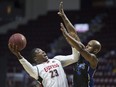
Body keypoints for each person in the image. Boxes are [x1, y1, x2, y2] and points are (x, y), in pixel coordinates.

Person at [58, 1, 101, 87]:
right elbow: (73, 33)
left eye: (89, 46)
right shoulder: (81, 54)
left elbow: (80, 49)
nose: (86, 46)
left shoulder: (93, 59)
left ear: (95, 50)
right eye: (87, 44)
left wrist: (66, 36)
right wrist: (63, 16)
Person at [8, 39, 80, 87]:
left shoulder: (57, 59)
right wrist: (18, 55)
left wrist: (73, 44)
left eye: (42, 50)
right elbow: (28, 68)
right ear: (35, 58)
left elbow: (75, 58)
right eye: (39, 52)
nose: (43, 51)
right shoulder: (37, 69)